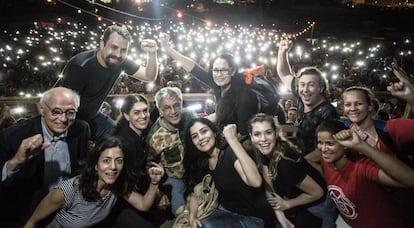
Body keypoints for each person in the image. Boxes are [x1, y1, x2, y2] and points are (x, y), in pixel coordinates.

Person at [23, 136, 165, 228]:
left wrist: (154, 183)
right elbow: (31, 222)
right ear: (96, 165)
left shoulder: (116, 185)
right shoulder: (67, 191)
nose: (113, 167)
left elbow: (143, 205)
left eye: (119, 161)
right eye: (106, 161)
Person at [0, 87, 90, 227]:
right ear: (42, 109)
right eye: (56, 112)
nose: (63, 119)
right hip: (28, 212)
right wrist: (16, 162)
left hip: (68, 209)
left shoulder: (81, 129)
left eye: (70, 112)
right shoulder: (13, 136)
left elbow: (81, 165)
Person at [55, 25, 158, 141]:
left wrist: (152, 54)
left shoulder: (120, 61)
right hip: (69, 120)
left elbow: (149, 76)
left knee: (123, 139)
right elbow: (59, 106)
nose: (118, 54)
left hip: (93, 116)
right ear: (102, 43)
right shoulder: (80, 66)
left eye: (124, 50)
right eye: (114, 47)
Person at [277, 39, 339, 227]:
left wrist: (299, 162)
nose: (305, 89)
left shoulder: (328, 112)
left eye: (311, 85)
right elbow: (284, 72)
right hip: (303, 164)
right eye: (302, 85)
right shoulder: (302, 99)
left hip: (320, 170)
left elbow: (326, 148)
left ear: (321, 88)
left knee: (317, 215)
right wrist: (282, 51)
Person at [315, 119, 414, 228]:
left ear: (344, 146)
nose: (323, 149)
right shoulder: (326, 160)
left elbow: (410, 179)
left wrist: (362, 146)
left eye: (329, 143)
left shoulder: (362, 167)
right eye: (320, 142)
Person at [159, 33, 261, 136]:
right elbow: (194, 68)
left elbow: (244, 133)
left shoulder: (243, 97)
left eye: (223, 70)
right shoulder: (219, 85)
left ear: (233, 71)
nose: (219, 75)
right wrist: (168, 49)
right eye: (216, 70)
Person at [183, 118, 277, 228]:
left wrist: (233, 140)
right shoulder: (202, 162)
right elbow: (195, 193)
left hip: (252, 217)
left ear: (213, 132)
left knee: (206, 225)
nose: (200, 138)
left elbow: (256, 182)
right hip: (224, 211)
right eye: (195, 136)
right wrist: (192, 216)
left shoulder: (229, 153)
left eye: (204, 131)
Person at [248, 113, 326, 227]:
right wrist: (280, 214)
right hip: (295, 197)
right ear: (251, 136)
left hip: (317, 205)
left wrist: (286, 204)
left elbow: (317, 193)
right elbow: (268, 184)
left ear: (275, 133)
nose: (263, 139)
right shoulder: (264, 153)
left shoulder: (285, 163)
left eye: (268, 132)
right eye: (257, 134)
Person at [145, 87, 195, 216]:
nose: (173, 112)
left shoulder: (190, 117)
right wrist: (158, 194)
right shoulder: (154, 136)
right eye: (167, 108)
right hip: (175, 179)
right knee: (179, 210)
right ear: (160, 111)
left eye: (176, 106)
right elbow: (148, 166)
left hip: (197, 172)